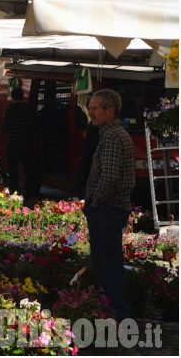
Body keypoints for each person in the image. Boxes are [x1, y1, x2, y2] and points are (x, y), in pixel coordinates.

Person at [84, 89, 135, 321]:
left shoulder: (113, 136)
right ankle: (117, 313)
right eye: (90, 107)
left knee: (107, 265)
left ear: (110, 110)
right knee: (108, 263)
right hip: (109, 209)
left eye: (95, 108)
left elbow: (110, 176)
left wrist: (95, 201)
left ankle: (118, 315)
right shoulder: (111, 134)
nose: (90, 112)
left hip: (107, 210)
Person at [1, 87, 38, 201]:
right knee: (29, 170)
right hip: (28, 144)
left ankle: (14, 193)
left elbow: (4, 129)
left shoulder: (9, 110)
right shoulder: (30, 109)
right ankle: (31, 193)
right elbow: (35, 127)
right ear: (23, 97)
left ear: (12, 97)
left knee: (13, 170)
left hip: (13, 145)